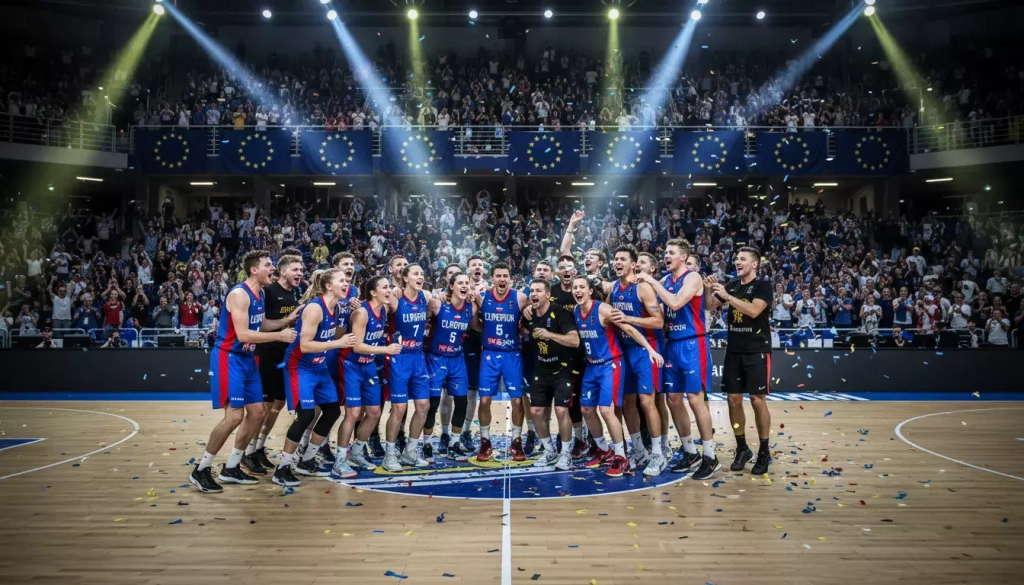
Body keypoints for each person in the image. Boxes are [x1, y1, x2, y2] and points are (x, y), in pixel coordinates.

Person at [190, 250, 297, 494]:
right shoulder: (240, 294)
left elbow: (260, 325)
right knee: (235, 416)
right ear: (254, 270)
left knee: (258, 412)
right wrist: (279, 335)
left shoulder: (259, 294)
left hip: (248, 358)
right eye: (269, 265)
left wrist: (285, 321)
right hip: (229, 357)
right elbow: (243, 334)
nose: (273, 268)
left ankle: (232, 466)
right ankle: (202, 468)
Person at [639, 239, 716, 478]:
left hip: (693, 343)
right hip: (671, 344)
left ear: (683, 257)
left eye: (671, 252)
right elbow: (660, 310)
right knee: (673, 399)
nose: (666, 255)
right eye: (665, 252)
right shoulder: (664, 281)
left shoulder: (692, 277)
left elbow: (675, 302)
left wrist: (651, 281)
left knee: (695, 400)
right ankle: (690, 451)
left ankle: (710, 456)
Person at [572, 276, 663, 478]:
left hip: (609, 364)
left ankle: (621, 457)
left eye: (581, 287)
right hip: (591, 365)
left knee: (606, 409)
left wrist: (649, 349)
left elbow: (628, 328)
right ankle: (605, 450)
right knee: (586, 409)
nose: (577, 290)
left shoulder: (603, 309)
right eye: (574, 287)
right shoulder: (576, 311)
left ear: (589, 291)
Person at [275, 269, 358, 485]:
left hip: (318, 365)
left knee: (331, 411)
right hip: (299, 365)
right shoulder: (314, 308)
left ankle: (307, 460)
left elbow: (334, 333)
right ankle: (282, 468)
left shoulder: (339, 307)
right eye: (341, 280)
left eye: (346, 280)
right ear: (328, 286)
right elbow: (305, 345)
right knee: (305, 415)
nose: (346, 283)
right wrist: (338, 344)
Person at [706, 246, 773, 478]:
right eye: (736, 258)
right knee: (733, 400)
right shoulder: (732, 285)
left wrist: (728, 297)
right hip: (733, 351)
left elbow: (754, 311)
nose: (738, 261)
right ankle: (742, 447)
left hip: (757, 351)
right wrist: (709, 291)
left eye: (743, 259)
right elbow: (709, 307)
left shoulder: (763, 285)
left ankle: (764, 450)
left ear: (755, 264)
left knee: (756, 400)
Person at [332, 276, 402, 480]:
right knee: (353, 413)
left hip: (369, 365)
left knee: (374, 412)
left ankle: (356, 454)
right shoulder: (362, 313)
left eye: (390, 287)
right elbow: (357, 345)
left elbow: (401, 301)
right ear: (373, 292)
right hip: (351, 364)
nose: (389, 290)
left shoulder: (384, 309)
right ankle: (340, 461)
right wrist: (386, 348)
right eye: (385, 287)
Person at [607, 245, 668, 476]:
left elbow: (658, 322)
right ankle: (639, 450)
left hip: (647, 349)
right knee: (626, 402)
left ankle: (657, 454)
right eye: (615, 258)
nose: (617, 262)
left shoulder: (642, 288)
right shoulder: (613, 288)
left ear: (634, 264)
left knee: (646, 401)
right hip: (624, 350)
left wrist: (629, 318)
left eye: (622, 259)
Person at [249, 254, 304, 475]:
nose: (300, 273)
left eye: (301, 269)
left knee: (278, 405)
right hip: (266, 355)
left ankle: (259, 447)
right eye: (295, 270)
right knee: (261, 409)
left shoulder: (294, 294)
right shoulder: (268, 292)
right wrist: (286, 323)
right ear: (283, 272)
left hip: (284, 358)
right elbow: (260, 326)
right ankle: (248, 451)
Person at [472, 261, 530, 462]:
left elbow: (532, 316)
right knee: (485, 399)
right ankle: (485, 441)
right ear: (492, 278)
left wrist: (524, 328)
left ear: (510, 279)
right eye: (498, 276)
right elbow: (474, 322)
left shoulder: (520, 298)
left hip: (512, 354)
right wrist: (484, 330)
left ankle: (516, 441)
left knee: (517, 400)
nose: (502, 279)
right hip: (489, 354)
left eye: (505, 276)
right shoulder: (482, 297)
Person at [524, 278, 580, 471]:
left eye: (538, 290)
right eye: (531, 290)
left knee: (561, 411)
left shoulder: (560, 313)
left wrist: (550, 335)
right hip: (540, 369)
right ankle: (549, 451)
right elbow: (521, 327)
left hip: (562, 369)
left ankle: (565, 454)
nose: (533, 294)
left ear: (547, 294)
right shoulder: (529, 314)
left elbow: (574, 341)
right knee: (536, 412)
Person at [382, 263, 434, 471]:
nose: (420, 276)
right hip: (399, 358)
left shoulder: (426, 297)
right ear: (405, 278)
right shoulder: (395, 298)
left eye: (422, 273)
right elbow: (377, 307)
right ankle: (389, 454)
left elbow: (446, 302)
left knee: (423, 407)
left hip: (418, 358)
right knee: (399, 409)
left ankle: (410, 452)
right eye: (416, 274)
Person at [425, 272, 477, 460]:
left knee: (462, 402)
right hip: (436, 358)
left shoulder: (470, 307)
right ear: (452, 286)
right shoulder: (437, 304)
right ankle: (427, 444)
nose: (464, 286)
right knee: (433, 403)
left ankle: (455, 443)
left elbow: (477, 326)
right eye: (460, 283)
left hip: (457, 359)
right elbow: (424, 320)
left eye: (467, 283)